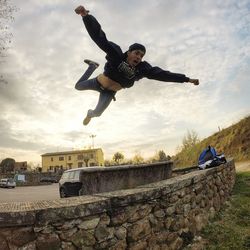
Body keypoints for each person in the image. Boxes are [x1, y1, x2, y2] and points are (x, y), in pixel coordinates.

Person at [75, 5, 199, 125]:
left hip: (108, 93)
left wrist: (186, 79)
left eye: (141, 56)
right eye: (137, 53)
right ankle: (92, 66)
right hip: (97, 82)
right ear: (129, 53)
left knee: (98, 113)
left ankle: (89, 114)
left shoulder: (142, 69)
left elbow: (163, 75)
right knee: (78, 86)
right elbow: (100, 37)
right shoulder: (117, 54)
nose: (139, 57)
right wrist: (86, 16)